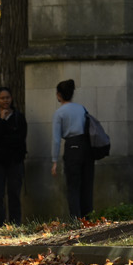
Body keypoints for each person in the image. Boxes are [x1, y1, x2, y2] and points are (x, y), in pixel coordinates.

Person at [50, 78, 95, 220]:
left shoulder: (60, 113)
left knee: (73, 186)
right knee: (87, 185)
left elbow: (56, 139)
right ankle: (88, 218)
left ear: (59, 94)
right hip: (87, 147)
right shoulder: (81, 108)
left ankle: (75, 220)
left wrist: (54, 160)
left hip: (72, 147)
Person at [0, 86, 29, 225]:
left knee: (14, 193)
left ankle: (15, 223)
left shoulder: (18, 118)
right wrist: (2, 121)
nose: (5, 101)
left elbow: (20, 138)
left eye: (8, 98)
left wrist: (5, 138)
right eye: (2, 98)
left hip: (15, 160)